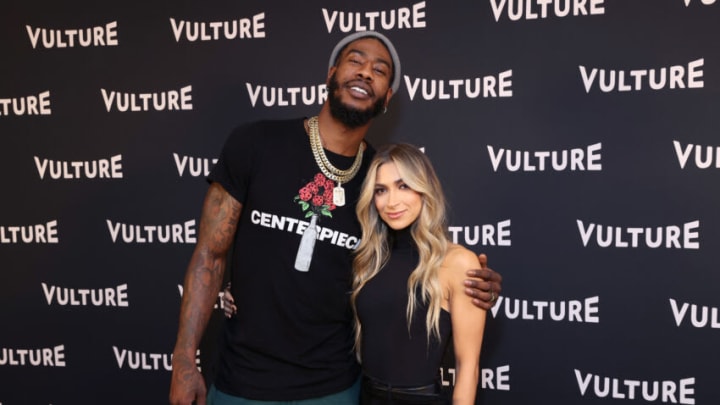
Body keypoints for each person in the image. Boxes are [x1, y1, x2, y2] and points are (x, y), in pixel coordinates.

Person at [170, 30, 502, 405]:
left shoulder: (379, 181)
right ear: (331, 74)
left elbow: (414, 263)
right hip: (242, 382)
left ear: (387, 97)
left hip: (335, 388)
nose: (365, 73)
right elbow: (209, 255)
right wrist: (184, 359)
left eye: (380, 70)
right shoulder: (256, 143)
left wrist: (473, 279)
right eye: (355, 61)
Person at [352, 143, 485, 404]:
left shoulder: (458, 262)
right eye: (381, 190)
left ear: (424, 189)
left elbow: (468, 367)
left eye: (404, 186)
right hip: (366, 398)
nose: (392, 202)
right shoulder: (369, 259)